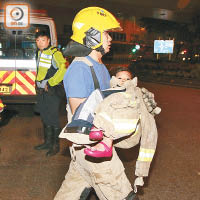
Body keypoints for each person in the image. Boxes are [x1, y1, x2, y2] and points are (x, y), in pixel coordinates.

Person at [54, 7, 139, 200]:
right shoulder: (79, 69)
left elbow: (105, 100)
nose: (110, 39)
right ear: (91, 36)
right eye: (106, 33)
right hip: (93, 147)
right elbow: (81, 116)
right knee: (121, 194)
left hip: (86, 151)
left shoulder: (99, 67)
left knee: (71, 193)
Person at [34, 31, 67, 157]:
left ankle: (55, 146)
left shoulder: (55, 53)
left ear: (48, 41)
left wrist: (51, 82)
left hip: (52, 90)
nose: (40, 43)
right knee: (45, 116)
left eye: (43, 40)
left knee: (53, 118)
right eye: (37, 41)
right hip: (41, 90)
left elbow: (63, 69)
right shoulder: (39, 52)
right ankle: (47, 143)